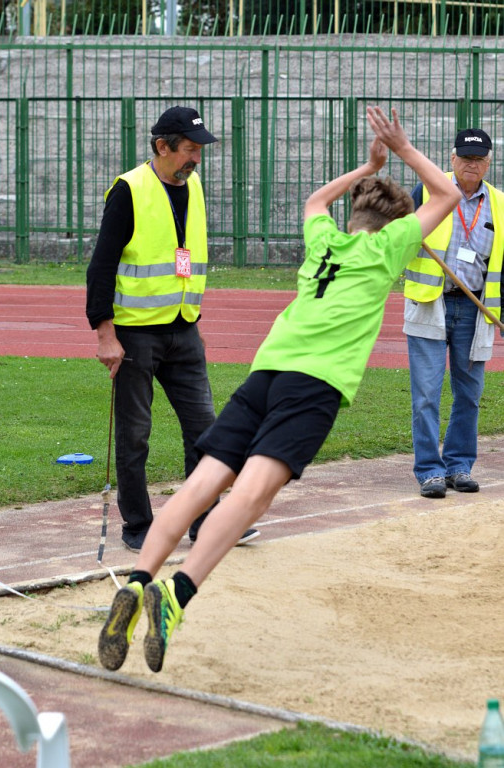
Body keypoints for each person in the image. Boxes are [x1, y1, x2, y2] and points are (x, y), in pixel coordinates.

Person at [97, 106, 462, 674]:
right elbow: (448, 194)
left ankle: (139, 578)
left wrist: (365, 166)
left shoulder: (323, 238)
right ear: (394, 226)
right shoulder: (387, 249)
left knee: (205, 481)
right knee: (249, 498)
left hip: (266, 371)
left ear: (352, 214)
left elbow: (317, 201)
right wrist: (402, 150)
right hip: (313, 385)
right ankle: (175, 596)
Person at [86, 106, 259, 552]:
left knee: (206, 430)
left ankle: (207, 521)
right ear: (162, 147)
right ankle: (138, 526)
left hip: (183, 331)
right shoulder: (129, 189)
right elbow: (101, 266)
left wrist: (193, 322)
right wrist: (105, 334)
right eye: (189, 149)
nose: (196, 158)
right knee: (135, 434)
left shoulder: (193, 185)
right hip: (135, 335)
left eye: (199, 150)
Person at [405, 128, 504, 499]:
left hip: (475, 310)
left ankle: (459, 465)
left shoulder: (499, 203)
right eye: (465, 157)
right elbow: (400, 234)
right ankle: (430, 471)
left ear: (488, 163)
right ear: (452, 159)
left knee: (470, 395)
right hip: (429, 303)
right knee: (426, 394)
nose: (471, 164)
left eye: (478, 159)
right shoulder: (427, 191)